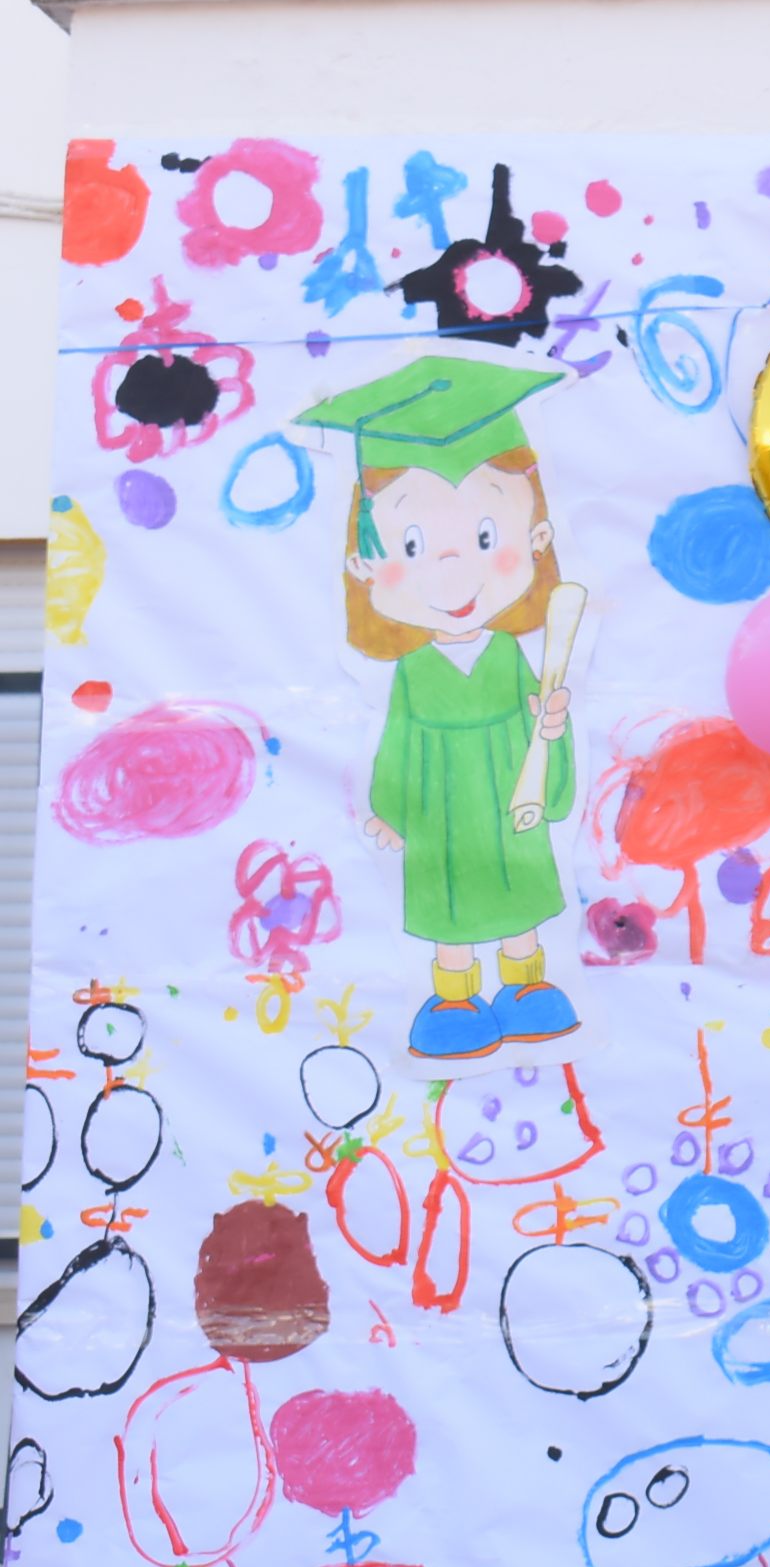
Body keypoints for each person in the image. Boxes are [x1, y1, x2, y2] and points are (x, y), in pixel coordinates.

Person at [300, 355, 584, 1063]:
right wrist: (392, 812)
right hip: (440, 812)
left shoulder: (514, 657)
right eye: (415, 545)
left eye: (488, 540)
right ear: (366, 566)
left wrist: (550, 740)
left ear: (536, 542)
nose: (454, 575)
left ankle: (524, 990)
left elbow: (537, 726)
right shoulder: (413, 674)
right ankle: (454, 999)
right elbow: (398, 745)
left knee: (516, 894)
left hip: (505, 800)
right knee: (449, 906)